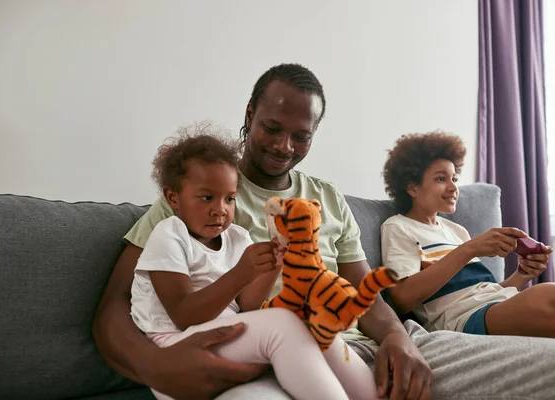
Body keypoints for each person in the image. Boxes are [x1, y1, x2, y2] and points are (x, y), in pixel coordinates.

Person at [93, 63, 555, 400]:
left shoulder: (327, 198)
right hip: (272, 356)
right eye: (271, 127)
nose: (284, 145)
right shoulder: (197, 194)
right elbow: (115, 304)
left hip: (370, 346)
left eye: (301, 135)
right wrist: (154, 366)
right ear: (249, 117)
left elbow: (368, 294)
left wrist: (397, 339)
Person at [130, 131, 379, 400]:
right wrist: (240, 275)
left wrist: (273, 265)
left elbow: (248, 306)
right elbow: (183, 315)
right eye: (206, 198)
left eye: (229, 199)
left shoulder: (238, 237)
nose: (220, 209)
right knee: (281, 323)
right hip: (179, 350)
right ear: (173, 198)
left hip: (226, 337)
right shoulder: (169, 235)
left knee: (311, 322)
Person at [381, 131, 555, 339]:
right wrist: (469, 249)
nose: (453, 188)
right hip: (463, 319)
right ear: (412, 188)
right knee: (549, 293)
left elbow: (484, 292)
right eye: (441, 178)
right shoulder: (398, 227)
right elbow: (402, 299)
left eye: (454, 178)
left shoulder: (455, 231)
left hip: (495, 304)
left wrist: (522, 274)